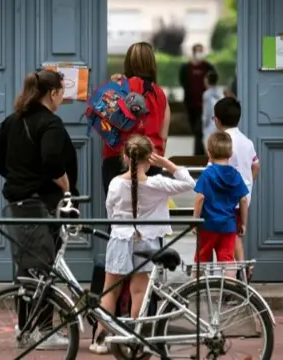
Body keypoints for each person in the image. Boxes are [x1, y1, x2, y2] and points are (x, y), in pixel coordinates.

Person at [0, 69, 78, 350]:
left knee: (29, 269)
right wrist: (65, 186)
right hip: (40, 204)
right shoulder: (50, 123)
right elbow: (51, 160)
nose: (63, 96)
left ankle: (27, 329)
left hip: (21, 203)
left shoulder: (13, 121)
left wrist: (18, 177)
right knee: (40, 268)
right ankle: (43, 332)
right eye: (62, 91)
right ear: (52, 93)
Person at [90, 135, 196, 354]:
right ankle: (134, 338)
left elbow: (111, 212)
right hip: (146, 242)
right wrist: (166, 163)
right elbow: (189, 183)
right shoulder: (158, 184)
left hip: (120, 239)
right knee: (139, 291)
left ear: (125, 158)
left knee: (109, 291)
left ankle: (100, 340)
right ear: (150, 159)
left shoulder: (115, 183)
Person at [100, 41, 171, 327]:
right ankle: (144, 318)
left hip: (116, 162)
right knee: (149, 233)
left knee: (118, 229)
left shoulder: (116, 88)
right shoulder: (160, 95)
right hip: (150, 162)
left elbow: (103, 125)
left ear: (127, 63)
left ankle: (108, 322)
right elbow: (163, 134)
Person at [211, 98, 260, 279]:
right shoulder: (247, 142)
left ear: (217, 120)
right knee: (237, 235)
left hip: (224, 201)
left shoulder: (220, 143)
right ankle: (243, 272)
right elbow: (256, 166)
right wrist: (247, 182)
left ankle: (238, 275)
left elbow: (214, 169)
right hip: (243, 199)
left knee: (229, 239)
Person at [193, 131, 249, 278]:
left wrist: (195, 221)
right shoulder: (235, 175)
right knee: (227, 260)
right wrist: (243, 223)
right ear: (230, 153)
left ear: (209, 153)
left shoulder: (207, 174)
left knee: (201, 258)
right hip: (228, 226)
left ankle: (194, 288)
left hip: (207, 225)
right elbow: (243, 199)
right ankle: (229, 289)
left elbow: (200, 198)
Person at [178, 43, 216, 156]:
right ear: (193, 53)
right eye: (197, 51)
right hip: (191, 105)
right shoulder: (186, 68)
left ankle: (199, 154)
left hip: (205, 105)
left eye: (201, 50)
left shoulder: (208, 67)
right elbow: (183, 82)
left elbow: (213, 79)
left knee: (200, 130)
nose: (200, 53)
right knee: (196, 130)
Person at [201, 71, 224, 149]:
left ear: (207, 80)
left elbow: (207, 112)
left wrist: (204, 125)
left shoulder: (207, 94)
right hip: (219, 123)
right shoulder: (220, 92)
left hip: (210, 123)